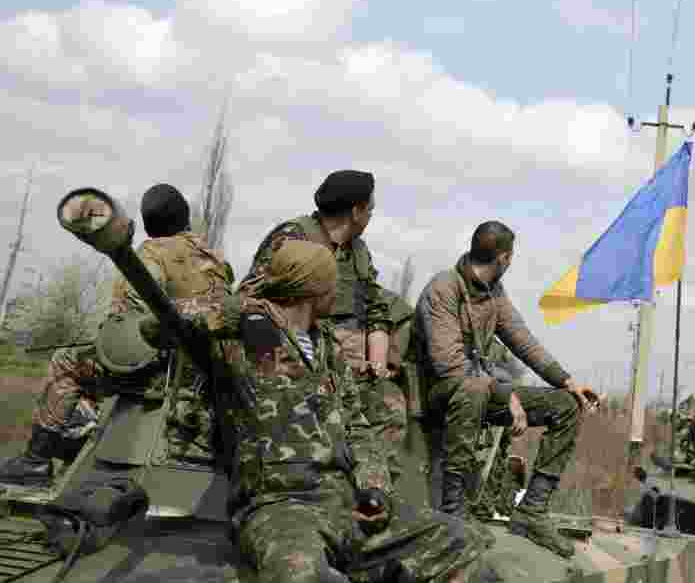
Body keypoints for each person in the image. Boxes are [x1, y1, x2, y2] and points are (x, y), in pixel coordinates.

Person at [174, 239, 487, 583]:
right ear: (313, 288)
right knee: (299, 574)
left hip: (346, 503)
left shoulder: (327, 348)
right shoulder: (238, 338)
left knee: (460, 540)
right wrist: (241, 311)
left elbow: (357, 426)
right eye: (331, 283)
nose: (336, 292)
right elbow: (162, 322)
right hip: (279, 509)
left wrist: (375, 487)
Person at [0, 183, 233, 485]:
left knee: (66, 361)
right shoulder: (215, 258)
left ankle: (34, 461)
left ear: (147, 225)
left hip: (162, 372)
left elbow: (125, 334)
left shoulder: (151, 253)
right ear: (186, 218)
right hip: (207, 370)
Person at [416, 221, 600, 558]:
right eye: (511, 257)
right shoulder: (443, 289)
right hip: (442, 394)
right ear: (503, 258)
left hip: (482, 391)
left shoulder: (492, 293)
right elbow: (449, 366)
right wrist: (505, 394)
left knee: (565, 406)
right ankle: (453, 512)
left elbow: (523, 340)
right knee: (471, 390)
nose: (511, 263)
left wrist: (567, 382)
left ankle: (531, 511)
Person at [240, 170, 407, 483]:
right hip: (299, 351)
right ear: (356, 211)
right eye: (370, 209)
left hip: (348, 363)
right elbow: (253, 295)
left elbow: (376, 308)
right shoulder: (294, 236)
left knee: (389, 402)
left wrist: (377, 363)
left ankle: (374, 490)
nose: (371, 215)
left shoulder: (358, 252)